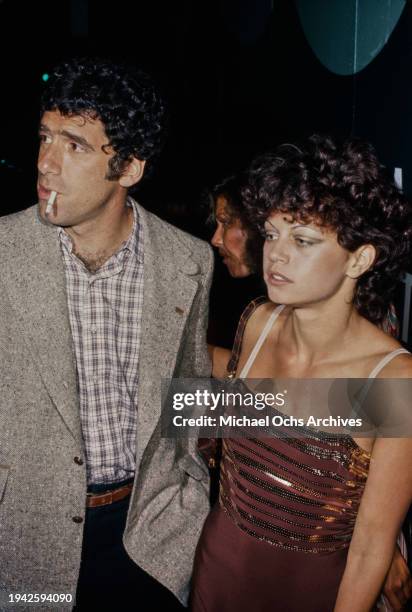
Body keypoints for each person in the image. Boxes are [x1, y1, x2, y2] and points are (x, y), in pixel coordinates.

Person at [0, 58, 213, 611]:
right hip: (24, 544)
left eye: (74, 146)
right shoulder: (4, 252)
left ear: (130, 168)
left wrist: (190, 493)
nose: (46, 163)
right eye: (45, 138)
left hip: (147, 538)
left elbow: (189, 395)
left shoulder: (190, 260)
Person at [191, 135, 412, 611]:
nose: (277, 255)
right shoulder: (256, 322)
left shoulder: (391, 380)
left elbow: (373, 546)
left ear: (360, 258)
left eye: (303, 240)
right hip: (215, 575)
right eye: (271, 234)